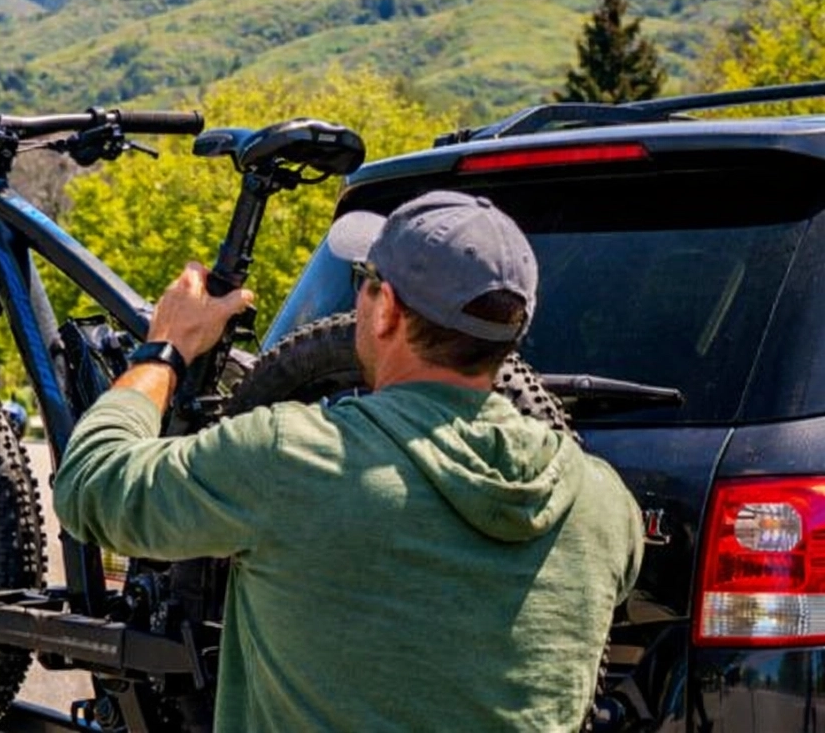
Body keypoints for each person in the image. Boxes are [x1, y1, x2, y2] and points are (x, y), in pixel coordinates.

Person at [53, 190, 644, 732]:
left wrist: (166, 348)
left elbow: (93, 485)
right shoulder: (604, 504)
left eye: (363, 278)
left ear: (385, 308)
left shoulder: (294, 457)